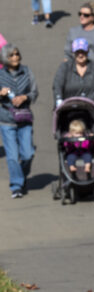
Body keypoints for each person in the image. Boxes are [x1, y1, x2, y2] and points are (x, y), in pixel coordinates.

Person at [0, 43, 38, 198]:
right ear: (5, 58)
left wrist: (25, 97)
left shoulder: (27, 72)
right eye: (11, 55)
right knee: (13, 156)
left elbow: (34, 92)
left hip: (24, 118)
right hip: (7, 120)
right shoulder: (1, 75)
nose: (15, 57)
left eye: (17, 54)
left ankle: (21, 176)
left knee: (28, 154)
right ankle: (16, 186)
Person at [53, 38, 94, 126]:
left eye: (83, 52)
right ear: (74, 52)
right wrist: (59, 100)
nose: (80, 55)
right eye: (78, 52)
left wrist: (89, 101)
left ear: (87, 51)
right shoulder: (65, 67)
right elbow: (57, 84)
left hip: (91, 109)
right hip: (68, 109)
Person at [64, 2, 94, 85]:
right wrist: (65, 75)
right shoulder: (73, 32)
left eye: (86, 15)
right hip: (75, 74)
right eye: (80, 14)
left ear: (93, 17)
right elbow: (67, 55)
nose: (82, 16)